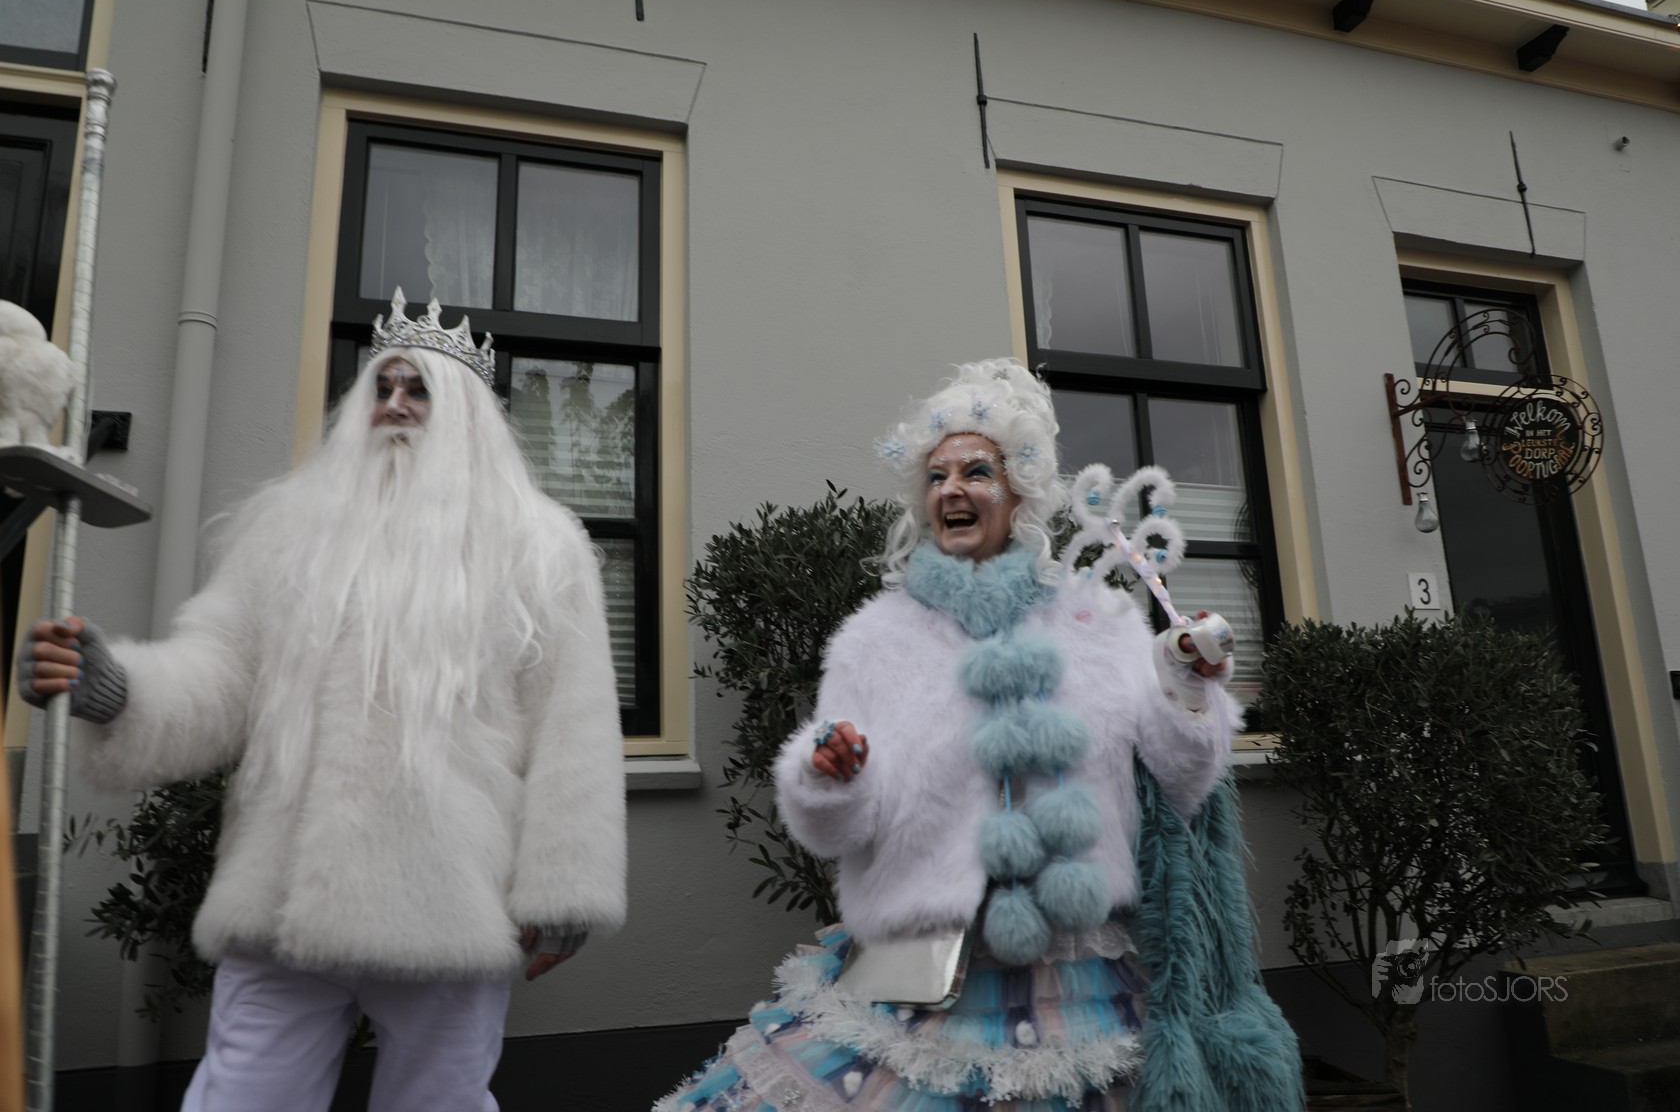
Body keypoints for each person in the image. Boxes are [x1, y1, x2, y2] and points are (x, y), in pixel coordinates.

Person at [19, 290, 627, 1112]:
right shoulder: (288, 529)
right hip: (285, 899)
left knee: (438, 1103)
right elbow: (222, 671)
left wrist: (562, 889)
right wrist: (118, 691)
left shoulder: (540, 545)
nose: (396, 405)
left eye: (419, 390)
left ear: (466, 415)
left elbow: (573, 729)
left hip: (448, 899)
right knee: (242, 1097)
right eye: (382, 387)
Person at [657, 360, 1299, 1111]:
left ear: (1020, 490)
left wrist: (1187, 687)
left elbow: (1179, 787)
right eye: (937, 477)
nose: (951, 490)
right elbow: (837, 830)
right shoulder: (874, 641)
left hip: (1089, 972)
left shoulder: (1101, 621)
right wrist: (830, 773)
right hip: (924, 976)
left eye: (976, 472)